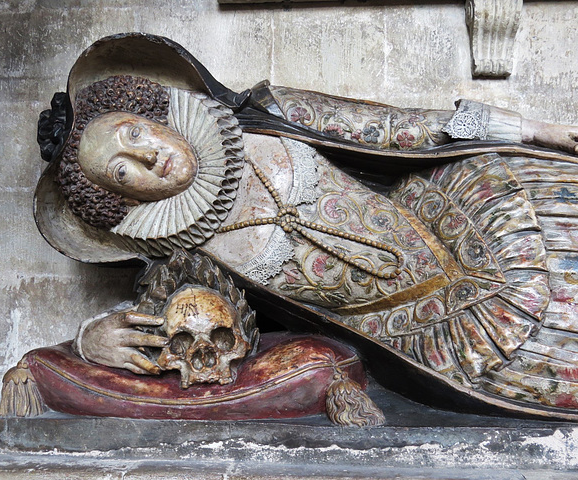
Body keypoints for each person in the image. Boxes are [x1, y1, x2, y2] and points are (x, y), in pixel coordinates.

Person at [36, 33, 578, 419]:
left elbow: (399, 129)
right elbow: (181, 341)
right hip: (435, 332)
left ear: (156, 115)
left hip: (474, 215)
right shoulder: (186, 257)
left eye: (136, 133)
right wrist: (90, 341)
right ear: (121, 197)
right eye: (123, 170)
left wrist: (529, 128)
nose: (149, 158)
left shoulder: (270, 115)